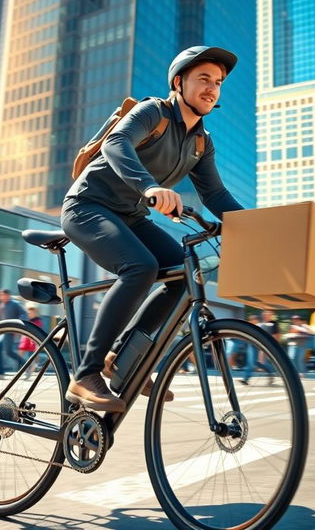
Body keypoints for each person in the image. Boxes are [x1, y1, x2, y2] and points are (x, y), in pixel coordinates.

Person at [61, 46, 244, 411]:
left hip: (129, 217)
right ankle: (86, 374)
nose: (212, 88)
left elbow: (216, 193)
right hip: (86, 207)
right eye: (203, 79)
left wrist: (255, 226)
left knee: (181, 273)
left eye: (218, 83)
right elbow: (116, 143)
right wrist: (150, 187)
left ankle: (123, 358)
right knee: (140, 267)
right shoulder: (154, 112)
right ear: (179, 82)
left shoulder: (201, 142)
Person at [0, 289, 27, 380]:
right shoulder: (1, 305)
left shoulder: (14, 304)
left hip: (10, 331)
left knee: (8, 352)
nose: (1, 297)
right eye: (0, 295)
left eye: (2, 295)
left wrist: (18, 326)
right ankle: (0, 372)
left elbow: (24, 314)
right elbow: (2, 319)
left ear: (7, 295)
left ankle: (26, 364)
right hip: (3, 331)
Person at [240, 314, 275, 386]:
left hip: (256, 346)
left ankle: (246, 379)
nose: (251, 321)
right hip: (250, 345)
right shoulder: (250, 326)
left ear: (256, 320)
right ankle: (270, 372)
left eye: (253, 320)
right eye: (251, 320)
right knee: (252, 363)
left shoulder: (261, 326)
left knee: (252, 363)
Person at [18, 303, 44, 379]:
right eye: (29, 311)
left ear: (35, 311)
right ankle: (23, 369)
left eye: (31, 311)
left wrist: (36, 342)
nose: (29, 313)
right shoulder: (28, 318)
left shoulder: (38, 321)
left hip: (33, 340)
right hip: (26, 338)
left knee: (34, 357)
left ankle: (31, 370)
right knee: (20, 354)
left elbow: (38, 332)